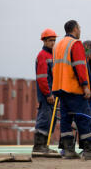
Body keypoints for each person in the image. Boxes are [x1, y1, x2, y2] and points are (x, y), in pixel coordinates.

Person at [52, 20, 91, 160]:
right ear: (75, 29)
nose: (80, 30)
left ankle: (68, 150)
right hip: (73, 88)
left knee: (66, 119)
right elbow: (79, 66)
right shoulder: (75, 44)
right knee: (84, 118)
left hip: (60, 88)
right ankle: (90, 150)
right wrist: (85, 86)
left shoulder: (59, 45)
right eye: (80, 28)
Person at [32, 28, 59, 156]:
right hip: (46, 95)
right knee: (44, 118)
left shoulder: (52, 55)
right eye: (50, 40)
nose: (52, 43)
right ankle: (38, 146)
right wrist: (48, 94)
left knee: (51, 120)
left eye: (54, 40)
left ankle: (45, 146)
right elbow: (42, 78)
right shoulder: (43, 56)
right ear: (44, 41)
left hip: (52, 94)